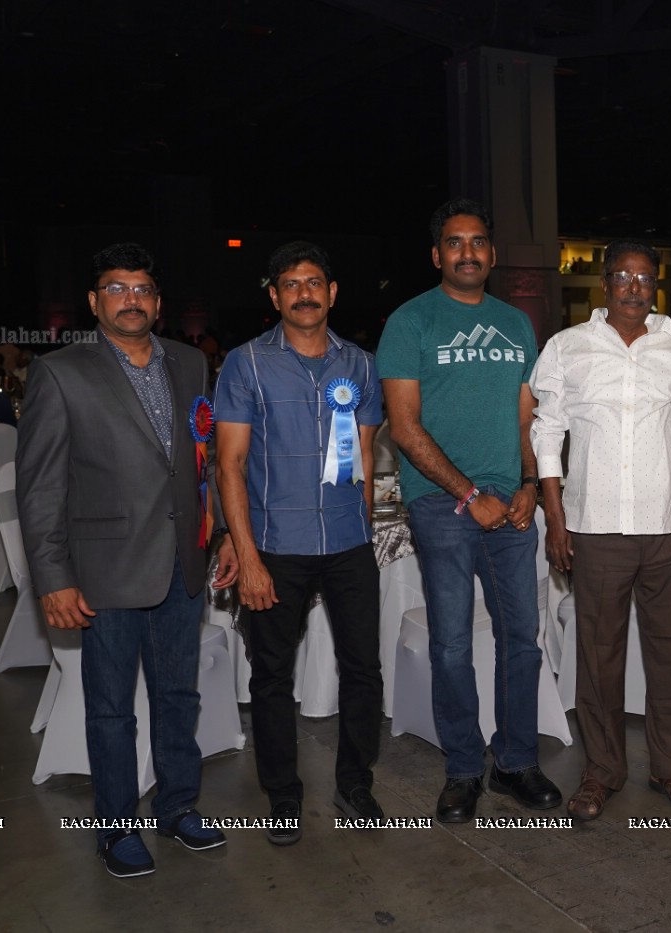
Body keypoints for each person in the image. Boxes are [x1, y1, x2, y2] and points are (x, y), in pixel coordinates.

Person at [16, 242, 237, 877]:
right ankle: (115, 829)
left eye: (141, 290)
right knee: (110, 707)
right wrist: (53, 578)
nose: (131, 299)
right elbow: (41, 487)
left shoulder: (191, 363)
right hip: (104, 571)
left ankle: (177, 807)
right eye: (117, 288)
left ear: (158, 303)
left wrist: (217, 534)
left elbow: (200, 467)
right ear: (94, 302)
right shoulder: (61, 372)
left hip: (183, 565)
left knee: (179, 695)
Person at [377, 199, 561, 822]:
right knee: (453, 645)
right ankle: (462, 769)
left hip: (511, 508)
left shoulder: (515, 324)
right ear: (437, 255)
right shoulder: (410, 322)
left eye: (478, 242)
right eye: (455, 243)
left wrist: (530, 483)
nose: (468, 252)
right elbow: (404, 427)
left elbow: (525, 414)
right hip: (441, 506)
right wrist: (466, 494)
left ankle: (515, 762)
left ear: (491, 252)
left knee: (523, 643)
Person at [531, 240, 671, 820]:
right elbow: (547, 433)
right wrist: (556, 519)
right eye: (623, 276)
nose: (634, 286)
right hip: (596, 528)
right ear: (604, 284)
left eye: (645, 277)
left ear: (654, 285)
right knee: (599, 656)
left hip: (668, 526)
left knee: (669, 652)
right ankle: (602, 772)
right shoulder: (567, 348)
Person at [216, 241, 385, 845]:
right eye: (291, 284)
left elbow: (362, 456)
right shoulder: (245, 364)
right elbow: (229, 466)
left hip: (347, 543)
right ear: (274, 296)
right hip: (276, 546)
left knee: (364, 668)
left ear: (332, 292)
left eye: (315, 282)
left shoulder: (360, 366)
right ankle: (283, 795)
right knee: (271, 676)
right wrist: (247, 553)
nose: (304, 293)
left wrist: (363, 535)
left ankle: (356, 782)